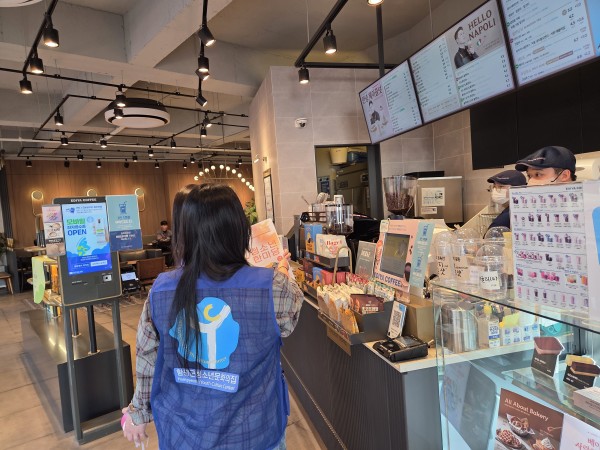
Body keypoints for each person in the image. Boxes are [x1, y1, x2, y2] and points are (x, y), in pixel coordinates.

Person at [121, 184, 304, 449]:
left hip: (182, 435)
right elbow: (289, 317)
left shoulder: (160, 290)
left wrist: (138, 412)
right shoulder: (273, 286)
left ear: (184, 233)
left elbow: (147, 357)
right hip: (254, 433)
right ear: (238, 229)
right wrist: (283, 271)